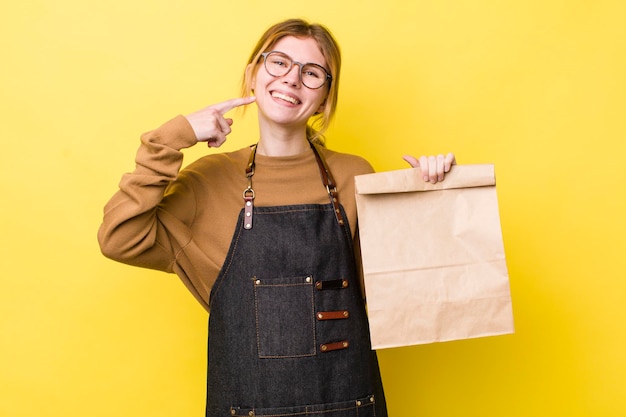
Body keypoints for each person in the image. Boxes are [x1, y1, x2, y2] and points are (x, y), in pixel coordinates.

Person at [98, 18, 455, 417]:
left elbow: (398, 289)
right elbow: (119, 237)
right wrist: (173, 137)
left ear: (324, 99)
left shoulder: (355, 175)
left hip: (350, 405)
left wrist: (432, 196)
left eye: (312, 72)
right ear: (253, 74)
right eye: (279, 62)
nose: (292, 79)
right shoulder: (208, 181)